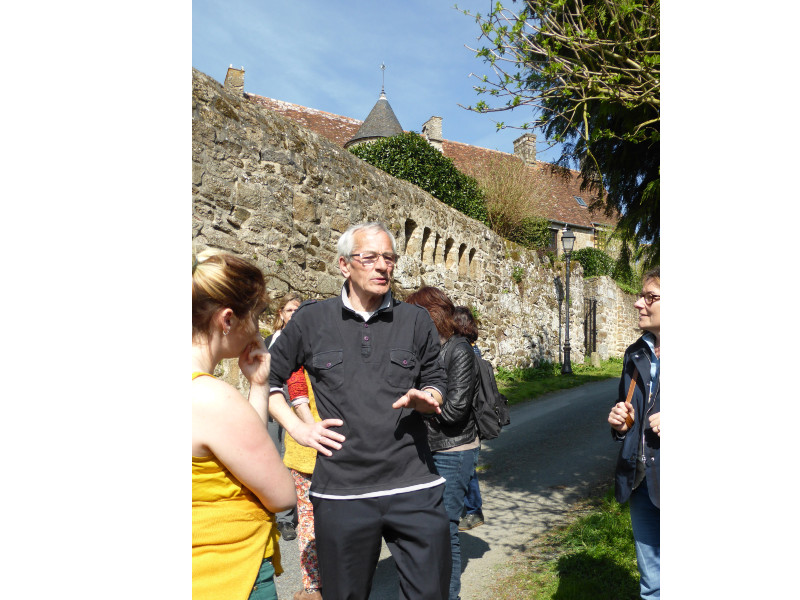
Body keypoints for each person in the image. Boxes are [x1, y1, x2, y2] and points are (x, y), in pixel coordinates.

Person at [266, 222, 451, 600]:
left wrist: (429, 396)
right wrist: (299, 429)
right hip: (342, 493)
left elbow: (437, 379)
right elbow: (264, 380)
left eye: (389, 258)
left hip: (413, 485)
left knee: (431, 594)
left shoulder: (415, 320)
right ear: (344, 265)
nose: (382, 266)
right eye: (370, 257)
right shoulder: (312, 320)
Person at [192, 250, 297, 600]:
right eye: (255, 315)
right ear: (227, 319)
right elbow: (282, 495)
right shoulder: (212, 398)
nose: (256, 328)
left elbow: (238, 446)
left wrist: (258, 384)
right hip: (228, 572)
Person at [406, 288, 479, 600]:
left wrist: (416, 408)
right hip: (431, 447)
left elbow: (455, 410)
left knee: (446, 527)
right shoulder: (429, 350)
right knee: (428, 527)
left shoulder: (459, 350)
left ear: (429, 316)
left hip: (454, 450)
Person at [608, 267, 660, 599]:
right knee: (652, 584)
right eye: (641, 296)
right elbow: (628, 412)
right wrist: (620, 423)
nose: (639, 303)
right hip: (642, 479)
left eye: (651, 297)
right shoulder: (635, 353)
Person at [282, 366, 323, 600]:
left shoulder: (298, 358)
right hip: (339, 448)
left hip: (304, 451)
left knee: (308, 520)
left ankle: (312, 588)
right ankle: (341, 578)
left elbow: (298, 399)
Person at [265, 292, 304, 542]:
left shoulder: (307, 339)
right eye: (290, 310)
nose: (294, 315)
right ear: (281, 313)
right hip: (273, 405)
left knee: (294, 458)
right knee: (274, 457)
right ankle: (282, 515)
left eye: (298, 310)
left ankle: (291, 517)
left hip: (298, 404)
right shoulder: (269, 341)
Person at [452, 305, 485, 532]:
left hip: (468, 418)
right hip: (475, 416)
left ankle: (473, 511)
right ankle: (471, 509)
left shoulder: (466, 352)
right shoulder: (474, 349)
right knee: (468, 466)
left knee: (468, 468)